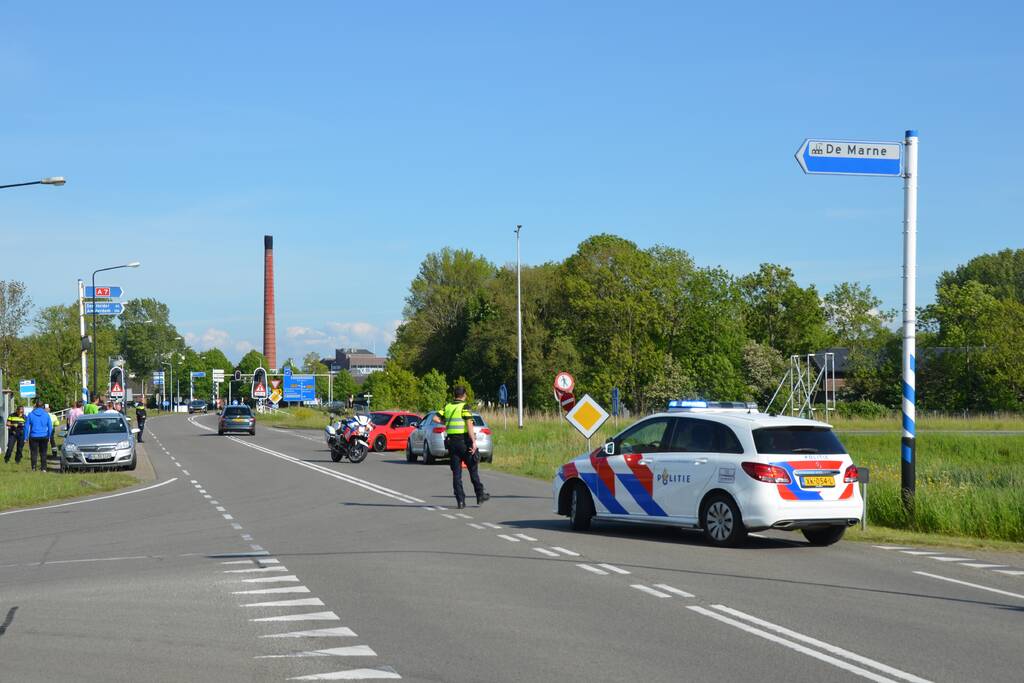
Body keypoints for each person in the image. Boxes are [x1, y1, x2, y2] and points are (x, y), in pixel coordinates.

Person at [435, 386, 490, 509]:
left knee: (456, 473)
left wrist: (446, 422)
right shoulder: (465, 407)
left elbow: (435, 417)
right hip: (464, 442)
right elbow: (469, 424)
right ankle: (480, 495)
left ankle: (460, 501)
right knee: (473, 469)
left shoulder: (447, 406)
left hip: (452, 443)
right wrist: (474, 442)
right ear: (464, 395)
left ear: (454, 395)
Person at [25, 400, 53, 472]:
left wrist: (25, 437)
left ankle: (33, 468)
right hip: (44, 436)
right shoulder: (46, 415)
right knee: (43, 453)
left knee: (34, 452)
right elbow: (50, 427)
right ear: (43, 406)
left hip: (33, 436)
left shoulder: (30, 414)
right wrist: (50, 436)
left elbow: (26, 427)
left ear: (35, 406)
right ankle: (43, 468)